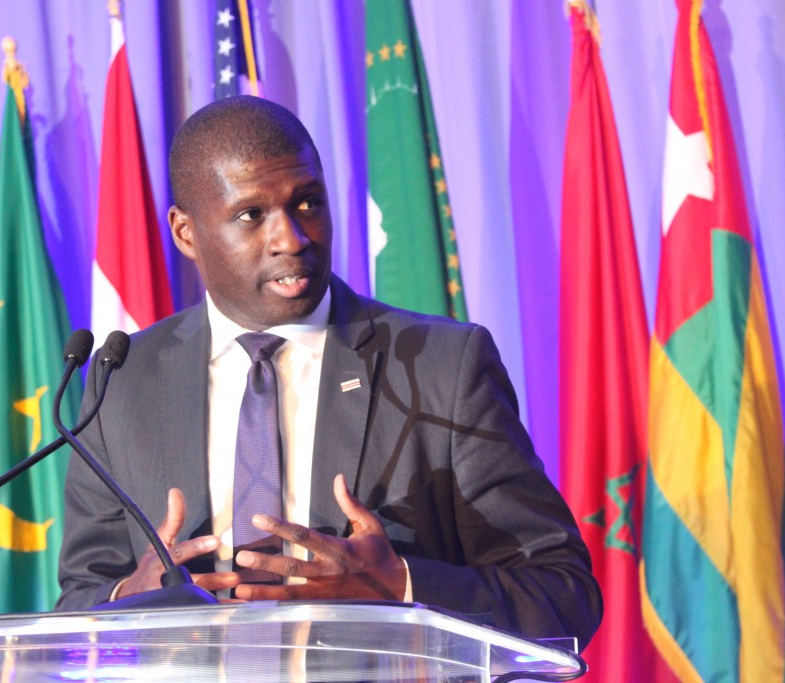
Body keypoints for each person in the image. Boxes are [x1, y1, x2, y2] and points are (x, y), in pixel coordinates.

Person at [56, 95, 602, 644]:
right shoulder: (123, 381)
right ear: (185, 233)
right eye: (252, 215)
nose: (291, 239)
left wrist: (403, 588)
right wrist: (127, 600)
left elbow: (562, 594)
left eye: (308, 204)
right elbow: (79, 598)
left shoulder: (441, 367)